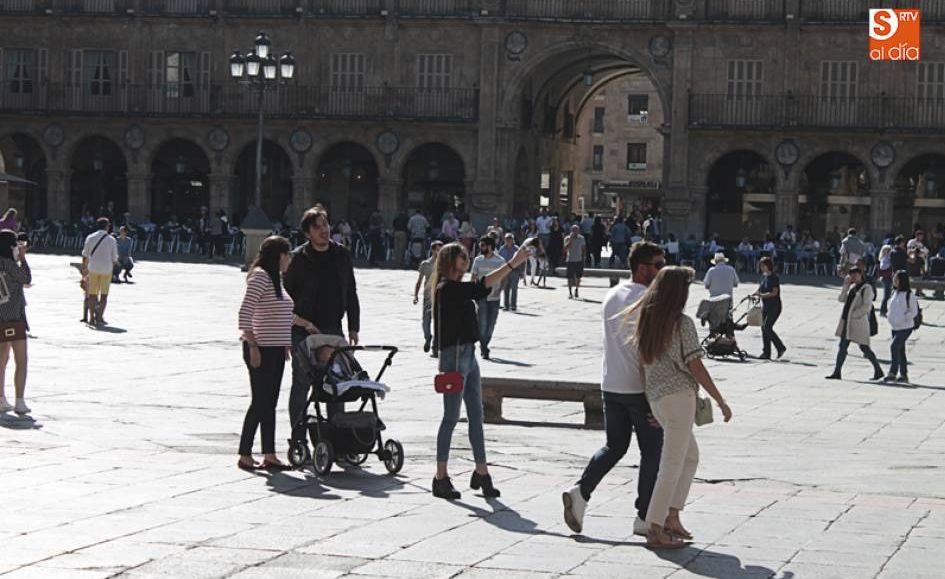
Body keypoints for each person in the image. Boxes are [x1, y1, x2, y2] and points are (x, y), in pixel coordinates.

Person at [562, 242, 666, 536]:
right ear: (643, 268)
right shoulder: (648, 299)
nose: (662, 270)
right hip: (639, 389)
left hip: (612, 385)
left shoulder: (612, 294)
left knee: (615, 446)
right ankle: (644, 516)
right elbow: (649, 353)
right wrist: (655, 398)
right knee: (652, 451)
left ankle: (580, 493)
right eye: (659, 265)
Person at [627, 266, 732, 549]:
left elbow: (641, 365)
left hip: (659, 398)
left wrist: (650, 400)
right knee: (672, 464)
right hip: (679, 397)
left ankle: (672, 515)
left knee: (689, 458)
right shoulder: (682, 323)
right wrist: (720, 399)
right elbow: (695, 365)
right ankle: (655, 527)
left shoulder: (647, 320)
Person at [429, 239, 533, 499]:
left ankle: (482, 471)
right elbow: (481, 286)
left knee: (477, 415)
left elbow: (480, 288)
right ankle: (440, 476)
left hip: (469, 354)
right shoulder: (446, 288)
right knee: (450, 418)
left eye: (466, 257)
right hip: (453, 358)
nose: (466, 261)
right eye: (462, 257)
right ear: (450, 261)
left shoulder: (456, 288)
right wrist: (512, 263)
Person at [283, 208, 361, 454]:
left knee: (336, 382)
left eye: (326, 224)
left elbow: (351, 291)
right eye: (317, 227)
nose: (324, 230)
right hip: (303, 329)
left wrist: (353, 326)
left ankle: (336, 440)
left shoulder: (341, 255)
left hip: (332, 327)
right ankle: (299, 438)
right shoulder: (297, 259)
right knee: (302, 383)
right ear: (307, 233)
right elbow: (285, 297)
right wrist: (290, 330)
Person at [237, 236, 298, 472]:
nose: (290, 259)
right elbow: (244, 313)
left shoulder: (275, 279)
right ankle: (244, 453)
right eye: (288, 254)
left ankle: (269, 454)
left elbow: (279, 312)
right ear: (280, 255)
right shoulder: (261, 276)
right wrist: (252, 346)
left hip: (275, 349)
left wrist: (301, 324)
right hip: (260, 348)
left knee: (269, 403)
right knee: (260, 401)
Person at [826, 267, 884, 381]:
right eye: (851, 275)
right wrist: (845, 287)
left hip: (858, 323)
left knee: (864, 347)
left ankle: (878, 369)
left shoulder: (866, 288)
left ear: (860, 275)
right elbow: (841, 299)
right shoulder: (852, 288)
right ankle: (837, 371)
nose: (853, 277)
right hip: (846, 322)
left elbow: (867, 306)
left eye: (855, 275)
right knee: (842, 346)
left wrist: (855, 315)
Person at [0, 230, 31, 415]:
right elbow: (26, 278)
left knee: (1, 361)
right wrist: (23, 258)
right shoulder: (9, 264)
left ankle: (1, 398)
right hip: (14, 319)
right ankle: (19, 401)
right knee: (21, 360)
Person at [470, 235, 506, 360]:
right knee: (482, 323)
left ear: (490, 246)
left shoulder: (500, 261)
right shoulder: (478, 260)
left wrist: (500, 291)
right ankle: (484, 347)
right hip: (481, 297)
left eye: (483, 245)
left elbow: (504, 277)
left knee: (491, 324)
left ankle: (484, 343)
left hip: (494, 297)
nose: (481, 247)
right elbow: (473, 277)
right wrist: (472, 292)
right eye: (480, 245)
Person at [81, 218, 118, 326]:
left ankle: (91, 317)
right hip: (106, 269)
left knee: (92, 294)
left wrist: (84, 269)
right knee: (104, 295)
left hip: (93, 269)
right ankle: (100, 317)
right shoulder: (112, 240)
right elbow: (114, 258)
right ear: (107, 226)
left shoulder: (90, 237)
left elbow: (85, 255)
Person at [884, 271, 918, 384]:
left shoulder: (909, 295)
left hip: (905, 326)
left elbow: (914, 311)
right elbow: (891, 308)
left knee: (894, 346)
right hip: (894, 326)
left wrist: (904, 317)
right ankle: (903, 374)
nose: (894, 281)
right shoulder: (895, 293)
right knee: (900, 350)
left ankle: (892, 372)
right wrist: (890, 317)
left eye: (896, 279)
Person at [414, 240, 444, 356]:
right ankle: (428, 337)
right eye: (438, 249)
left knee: (438, 322)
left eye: (441, 249)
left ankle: (435, 347)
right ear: (433, 250)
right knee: (425, 322)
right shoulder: (425, 264)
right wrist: (416, 295)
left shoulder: (444, 264)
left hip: (440, 296)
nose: (440, 251)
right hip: (427, 296)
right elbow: (419, 281)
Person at [753, 257, 786, 360]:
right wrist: (754, 294)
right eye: (761, 266)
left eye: (763, 265)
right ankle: (766, 353)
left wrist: (761, 295)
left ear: (768, 266)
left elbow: (774, 293)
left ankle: (780, 347)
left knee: (767, 327)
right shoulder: (764, 277)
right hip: (766, 306)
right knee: (763, 328)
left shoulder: (774, 277)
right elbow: (760, 289)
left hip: (775, 306)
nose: (761, 268)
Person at [497, 234, 521, 311]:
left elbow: (521, 260)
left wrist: (522, 272)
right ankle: (506, 305)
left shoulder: (517, 249)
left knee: (514, 288)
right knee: (506, 288)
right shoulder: (502, 249)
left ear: (512, 240)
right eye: (506, 239)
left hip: (515, 270)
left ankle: (513, 305)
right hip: (505, 270)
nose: (507, 241)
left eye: (509, 239)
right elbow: (499, 259)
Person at [564, 224, 587, 299]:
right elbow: (565, 248)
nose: (575, 232)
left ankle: (576, 289)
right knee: (569, 277)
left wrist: (583, 258)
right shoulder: (567, 238)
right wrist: (570, 240)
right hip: (570, 260)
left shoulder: (582, 238)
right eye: (573, 230)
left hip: (579, 260)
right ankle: (570, 292)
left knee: (578, 277)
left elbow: (583, 249)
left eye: (576, 230)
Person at [876, 245, 893, 316]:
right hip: (885, 277)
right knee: (886, 295)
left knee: (888, 294)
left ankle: (884, 309)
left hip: (888, 277)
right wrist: (889, 264)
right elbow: (882, 267)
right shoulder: (884, 258)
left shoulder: (887, 258)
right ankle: (882, 310)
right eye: (889, 250)